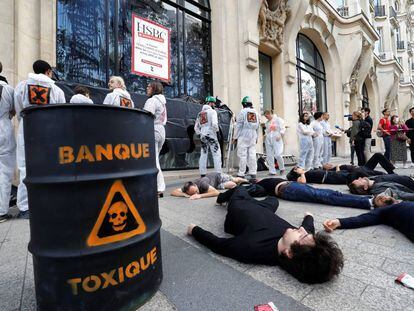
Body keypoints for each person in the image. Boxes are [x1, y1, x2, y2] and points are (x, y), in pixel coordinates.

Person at [188, 186, 344, 284]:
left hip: (240, 207)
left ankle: (222, 197)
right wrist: (308, 216)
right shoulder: (302, 242)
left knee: (239, 189)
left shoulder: (251, 248)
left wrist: (194, 230)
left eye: (302, 236)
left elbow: (217, 244)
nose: (302, 230)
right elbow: (308, 228)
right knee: (273, 200)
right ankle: (255, 187)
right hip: (265, 209)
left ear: (289, 253)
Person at [14, 60, 66, 219]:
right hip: (49, 129)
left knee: (24, 166)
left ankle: (25, 208)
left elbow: (18, 108)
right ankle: (48, 202)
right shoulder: (56, 90)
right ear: (48, 71)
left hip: (27, 126)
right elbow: (61, 112)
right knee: (49, 165)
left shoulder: (22, 86)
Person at [323, 200, 414, 242]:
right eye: (380, 199)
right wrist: (339, 222)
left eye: (386, 195)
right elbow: (365, 219)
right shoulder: (386, 211)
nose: (384, 197)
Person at [287, 153, 394, 184]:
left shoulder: (308, 171)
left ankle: (391, 173)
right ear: (295, 172)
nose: (299, 167)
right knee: (362, 172)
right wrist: (301, 173)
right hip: (338, 176)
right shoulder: (302, 176)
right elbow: (303, 183)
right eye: (296, 168)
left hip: (342, 172)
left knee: (378, 155)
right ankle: (390, 177)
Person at [143, 81, 167, 196]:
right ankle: (158, 186)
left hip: (153, 129)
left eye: (149, 87)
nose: (146, 88)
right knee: (155, 159)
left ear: (154, 89)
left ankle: (159, 187)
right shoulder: (163, 102)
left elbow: (146, 116)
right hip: (161, 130)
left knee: (153, 160)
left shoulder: (152, 100)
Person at [0, 75, 16, 222]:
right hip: (3, 129)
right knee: (4, 172)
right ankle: (1, 211)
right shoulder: (8, 89)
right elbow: (14, 110)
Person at [195, 96, 221, 176]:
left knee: (203, 154)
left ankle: (202, 174)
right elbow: (214, 124)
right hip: (212, 135)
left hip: (203, 136)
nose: (214, 104)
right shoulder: (213, 112)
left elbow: (196, 128)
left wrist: (201, 133)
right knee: (216, 154)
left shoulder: (200, 114)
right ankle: (218, 174)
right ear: (210, 103)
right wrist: (217, 132)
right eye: (213, 103)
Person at [234, 96, 259, 178]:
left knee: (242, 154)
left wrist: (235, 137)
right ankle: (253, 172)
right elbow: (258, 126)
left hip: (244, 134)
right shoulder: (256, 112)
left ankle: (241, 173)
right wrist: (257, 137)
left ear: (243, 104)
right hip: (253, 134)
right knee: (252, 154)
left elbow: (239, 126)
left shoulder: (242, 112)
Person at [171, 172, 247, 200]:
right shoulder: (187, 188)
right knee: (233, 185)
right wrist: (183, 194)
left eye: (196, 191)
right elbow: (173, 192)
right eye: (192, 194)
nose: (196, 194)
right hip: (216, 185)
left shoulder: (202, 184)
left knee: (235, 180)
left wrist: (200, 196)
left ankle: (247, 180)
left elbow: (216, 193)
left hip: (217, 176)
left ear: (196, 186)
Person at [348, 174, 414, 200]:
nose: (359, 177)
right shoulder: (378, 189)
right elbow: (401, 194)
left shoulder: (372, 179)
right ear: (365, 187)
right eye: (359, 180)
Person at [264, 110, 285, 175]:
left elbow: (283, 129)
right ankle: (272, 171)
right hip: (269, 138)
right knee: (269, 155)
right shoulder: (267, 123)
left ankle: (282, 168)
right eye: (265, 116)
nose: (266, 117)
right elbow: (267, 130)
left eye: (267, 115)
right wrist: (265, 135)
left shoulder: (278, 120)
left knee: (278, 154)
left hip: (276, 138)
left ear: (270, 114)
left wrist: (280, 136)